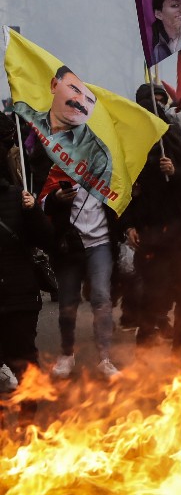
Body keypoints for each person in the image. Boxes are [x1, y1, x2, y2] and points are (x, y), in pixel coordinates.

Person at [124, 84, 181, 362]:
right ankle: (144, 348)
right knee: (153, 295)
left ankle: (179, 350)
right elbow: (122, 195)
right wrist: (128, 226)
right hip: (150, 237)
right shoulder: (132, 157)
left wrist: (176, 172)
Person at [41, 167, 121, 379]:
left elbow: (122, 199)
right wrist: (56, 197)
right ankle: (67, 353)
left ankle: (105, 358)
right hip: (70, 246)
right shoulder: (61, 166)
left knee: (101, 298)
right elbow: (42, 205)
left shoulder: (108, 167)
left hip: (101, 243)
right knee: (68, 302)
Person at [13, 66, 112, 192]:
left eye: (89, 99)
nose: (81, 102)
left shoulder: (98, 152)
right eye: (74, 89)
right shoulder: (30, 128)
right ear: (54, 85)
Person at [0, 174, 55, 399]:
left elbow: (46, 239)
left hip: (19, 295)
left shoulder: (16, 196)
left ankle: (28, 423)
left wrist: (33, 212)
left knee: (23, 361)